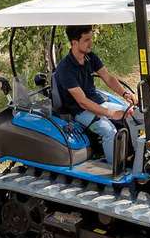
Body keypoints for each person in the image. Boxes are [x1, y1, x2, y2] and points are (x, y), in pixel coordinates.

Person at [54, 25, 137, 168]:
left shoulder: (90, 57)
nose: (91, 43)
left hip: (97, 102)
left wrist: (126, 94)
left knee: (132, 115)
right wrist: (111, 114)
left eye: (91, 38)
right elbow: (83, 102)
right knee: (109, 130)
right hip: (79, 111)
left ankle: (135, 159)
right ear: (74, 42)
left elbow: (108, 78)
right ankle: (115, 170)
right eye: (86, 40)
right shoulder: (65, 68)